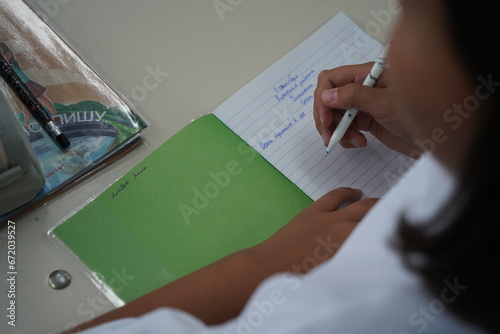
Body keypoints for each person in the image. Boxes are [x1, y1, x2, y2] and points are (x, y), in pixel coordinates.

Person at [68, 0, 498, 333]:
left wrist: (267, 264)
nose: (391, 33)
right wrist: (445, 132)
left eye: (414, 13)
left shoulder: (364, 308)